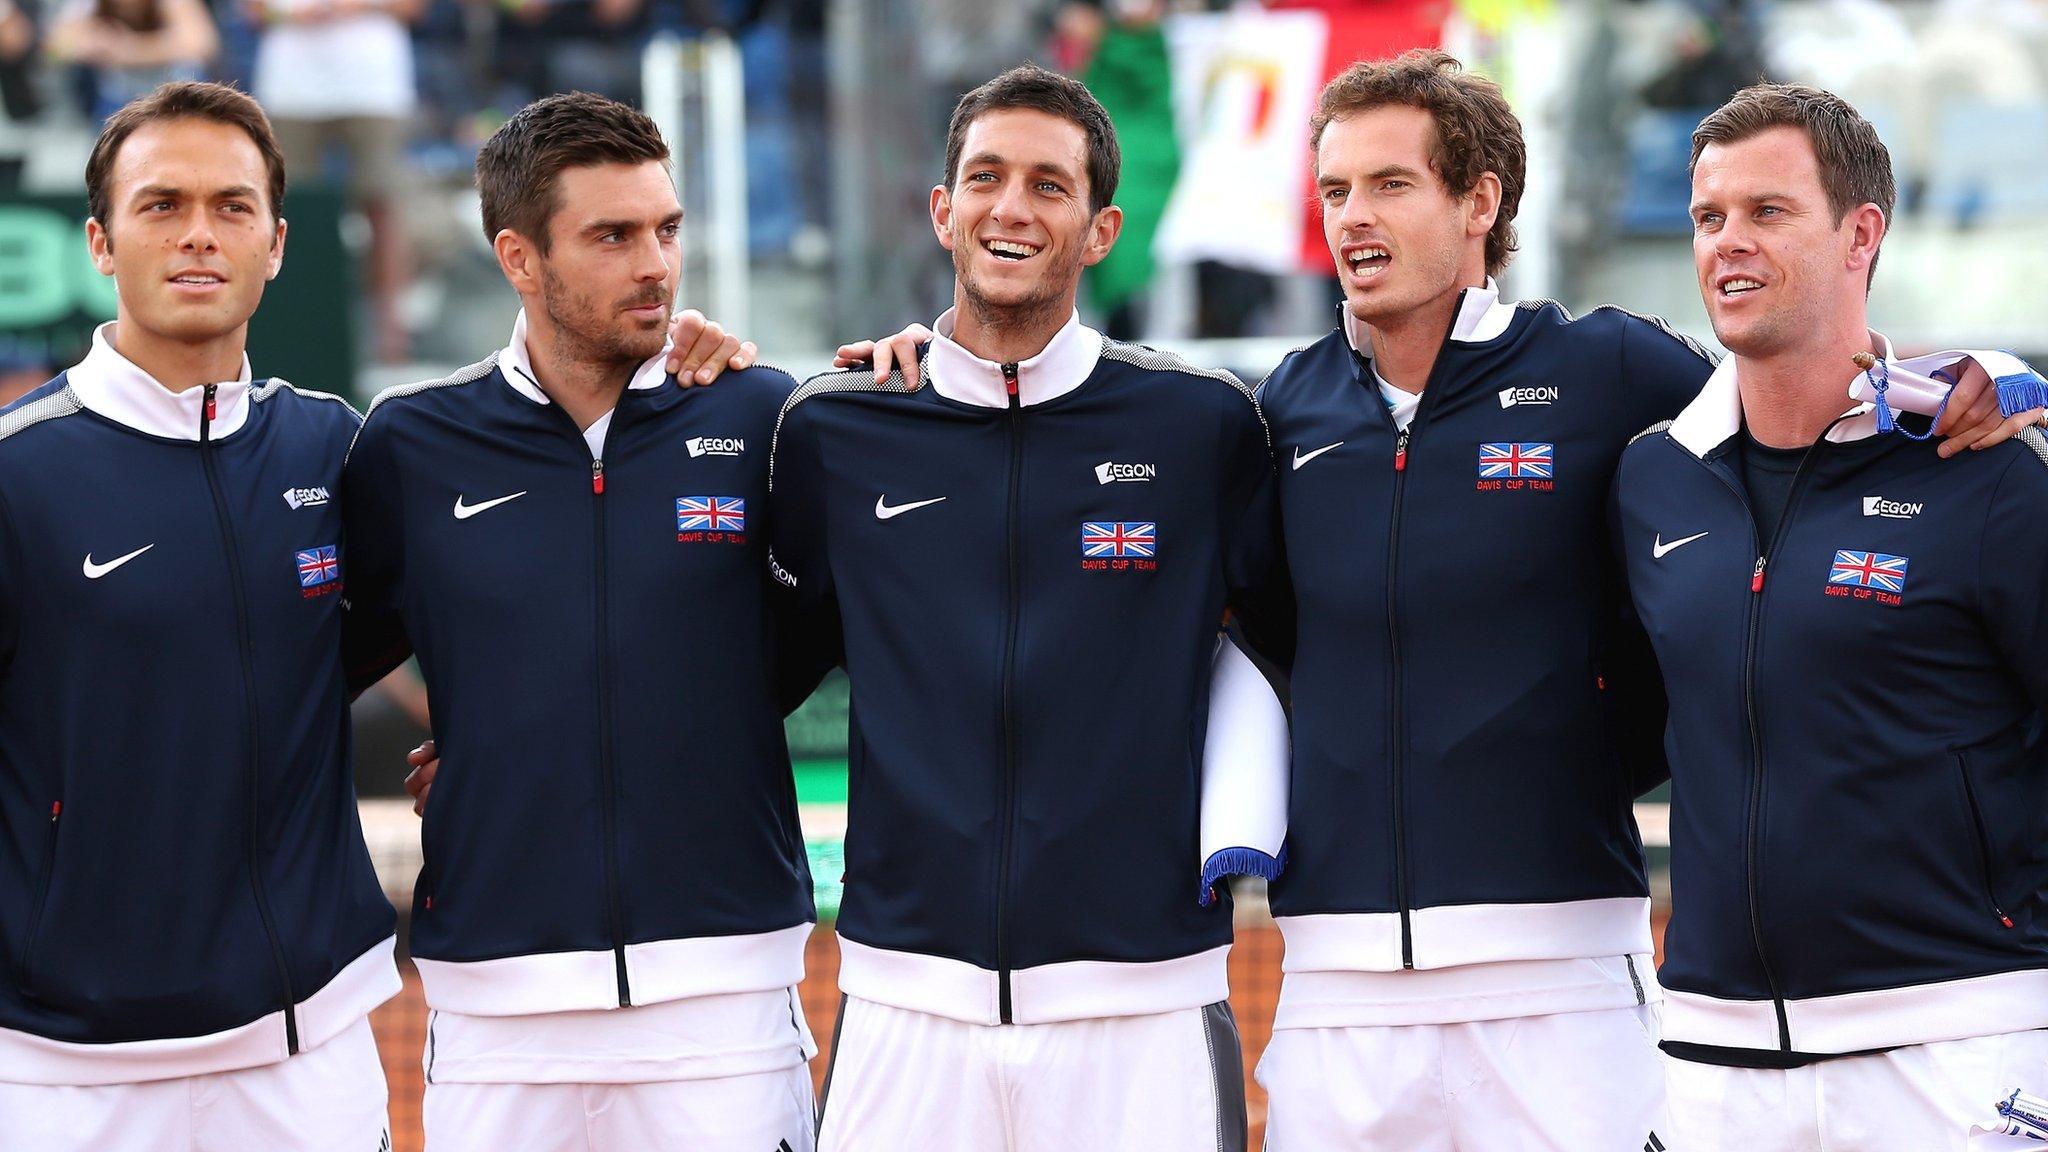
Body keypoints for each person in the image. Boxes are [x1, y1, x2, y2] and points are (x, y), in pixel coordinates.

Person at [767, 64, 1287, 1150]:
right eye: (986, 178)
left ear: (1099, 230)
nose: (1011, 207)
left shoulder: (1204, 428)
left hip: (1144, 1001)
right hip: (905, 1005)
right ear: (941, 210)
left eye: (1047, 186)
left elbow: (1301, 647)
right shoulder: (833, 430)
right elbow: (738, 673)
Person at [341, 92, 819, 1152]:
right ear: (518, 257)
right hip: (495, 1004)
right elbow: (310, 664)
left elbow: (806, 640)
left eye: (666, 228)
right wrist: (505, 737)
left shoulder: (764, 414)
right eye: (612, 236)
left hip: (726, 997)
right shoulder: (411, 446)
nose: (655, 263)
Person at [1613, 82, 2048, 1150]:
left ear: (1860, 233)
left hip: (1955, 1048)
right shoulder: (1649, 478)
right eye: (1708, 217)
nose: (1727, 244)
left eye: (1767, 212)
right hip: (1710, 1055)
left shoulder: (1986, 477)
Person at [0, 80, 399, 1152]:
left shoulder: (338, 446)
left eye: (230, 209)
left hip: (308, 1050)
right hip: (62, 1070)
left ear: (275, 244)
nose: (196, 237)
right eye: (160, 205)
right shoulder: (15, 474)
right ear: (98, 240)